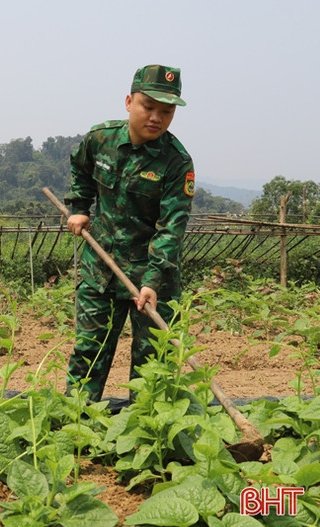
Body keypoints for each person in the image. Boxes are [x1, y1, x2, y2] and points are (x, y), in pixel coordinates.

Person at [63, 64, 195, 402]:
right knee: (88, 353)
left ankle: (145, 435)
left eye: (166, 111)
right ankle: (76, 425)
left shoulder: (176, 162)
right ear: (128, 102)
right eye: (147, 106)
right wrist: (79, 207)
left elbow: (171, 229)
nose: (156, 117)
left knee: (152, 364)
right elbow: (81, 170)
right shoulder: (100, 139)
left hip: (152, 277)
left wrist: (151, 281)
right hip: (100, 270)